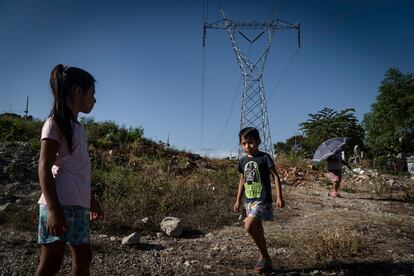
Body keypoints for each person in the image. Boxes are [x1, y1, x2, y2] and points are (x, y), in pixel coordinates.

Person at [36, 64, 104, 276]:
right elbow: (44, 167)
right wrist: (54, 210)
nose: (94, 99)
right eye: (92, 93)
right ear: (78, 92)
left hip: (78, 205)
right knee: (51, 262)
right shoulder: (55, 123)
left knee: (84, 258)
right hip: (58, 204)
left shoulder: (79, 128)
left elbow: (79, 170)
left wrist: (90, 198)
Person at [233, 127, 284, 273]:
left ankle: (264, 256)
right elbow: (242, 180)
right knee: (258, 230)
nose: (247, 146)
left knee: (248, 226)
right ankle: (266, 260)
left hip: (262, 198)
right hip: (249, 200)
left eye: (250, 142)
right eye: (243, 143)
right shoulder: (242, 161)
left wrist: (279, 196)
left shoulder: (265, 157)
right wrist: (238, 200)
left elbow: (275, 176)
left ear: (258, 142)